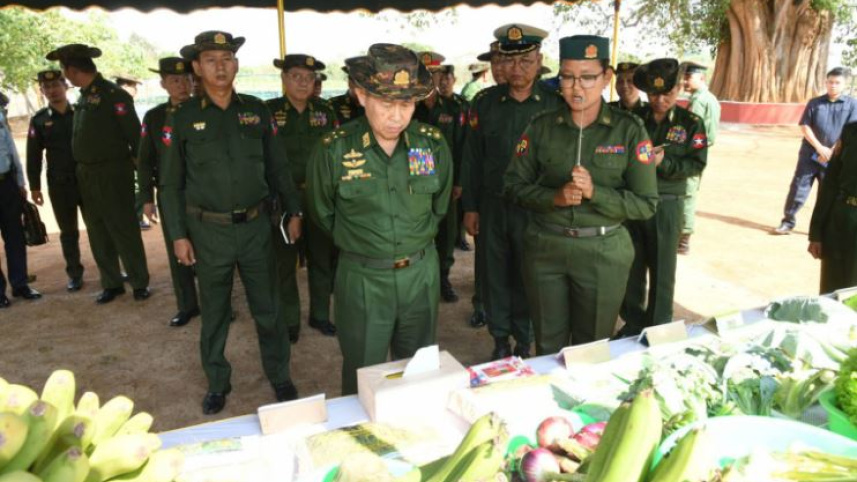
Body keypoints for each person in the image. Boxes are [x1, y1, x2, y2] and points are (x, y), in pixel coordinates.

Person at [161, 30, 302, 414]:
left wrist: (294, 212)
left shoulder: (257, 110)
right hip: (208, 233)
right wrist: (177, 236)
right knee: (215, 311)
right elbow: (170, 184)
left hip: (257, 227)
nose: (220, 67)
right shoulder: (183, 117)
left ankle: (280, 375)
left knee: (268, 308)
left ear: (236, 64)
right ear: (196, 68)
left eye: (226, 59)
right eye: (210, 60)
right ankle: (217, 381)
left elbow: (278, 167)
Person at [307, 44, 452, 395]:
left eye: (406, 105)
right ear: (360, 95)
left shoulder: (429, 145)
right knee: (364, 377)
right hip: (363, 279)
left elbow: (439, 206)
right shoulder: (334, 149)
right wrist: (368, 246)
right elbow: (322, 213)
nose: (397, 116)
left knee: (417, 373)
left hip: (420, 275)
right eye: (387, 103)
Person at [505, 35, 658, 354]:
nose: (577, 87)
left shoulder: (629, 130)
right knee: (548, 344)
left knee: (592, 349)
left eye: (588, 77)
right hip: (546, 248)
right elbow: (513, 185)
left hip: (602, 252)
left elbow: (646, 204)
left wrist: (595, 192)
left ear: (606, 77)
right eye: (568, 76)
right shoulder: (539, 127)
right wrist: (554, 198)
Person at [461, 24, 561, 359]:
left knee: (529, 275)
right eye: (511, 61)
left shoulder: (554, 104)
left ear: (539, 60)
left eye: (526, 62)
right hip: (492, 207)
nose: (517, 70)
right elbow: (472, 158)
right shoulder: (485, 103)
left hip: (536, 209)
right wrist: (471, 207)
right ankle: (500, 340)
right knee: (495, 275)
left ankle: (525, 339)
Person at [47, 43, 151, 304]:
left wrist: (143, 175)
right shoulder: (83, 95)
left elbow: (134, 138)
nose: (64, 75)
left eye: (64, 69)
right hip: (87, 174)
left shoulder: (114, 94)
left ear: (72, 69)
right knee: (97, 229)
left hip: (112, 171)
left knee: (123, 226)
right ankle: (112, 282)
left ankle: (139, 282)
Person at [619, 58, 708, 337]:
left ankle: (657, 329)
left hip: (666, 205)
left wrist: (664, 163)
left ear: (679, 88)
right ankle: (633, 324)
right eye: (654, 94)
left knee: (662, 270)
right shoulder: (635, 118)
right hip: (634, 202)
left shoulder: (691, 123)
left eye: (667, 94)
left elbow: (696, 164)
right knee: (631, 267)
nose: (660, 100)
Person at [266, 54, 338, 341]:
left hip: (318, 197)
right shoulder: (268, 111)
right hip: (284, 198)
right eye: (295, 76)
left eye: (308, 78)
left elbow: (335, 156)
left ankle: (320, 315)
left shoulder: (326, 111)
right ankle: (290, 320)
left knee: (322, 258)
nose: (302, 82)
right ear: (283, 79)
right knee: (285, 263)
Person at [137, 57, 199, 327]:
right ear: (163, 83)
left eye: (187, 79)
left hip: (202, 192)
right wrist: (146, 198)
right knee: (178, 249)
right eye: (175, 80)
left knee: (209, 252)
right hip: (170, 194)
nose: (182, 85)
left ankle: (217, 303)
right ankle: (187, 305)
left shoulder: (204, 110)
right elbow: (145, 160)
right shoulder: (154, 117)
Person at [773, 67, 857, 235]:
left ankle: (822, 228)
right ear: (825, 82)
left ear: (844, 85)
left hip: (835, 158)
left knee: (827, 194)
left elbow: (850, 131)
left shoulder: (852, 105)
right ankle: (788, 222)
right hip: (809, 155)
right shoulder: (815, 103)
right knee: (798, 188)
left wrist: (832, 151)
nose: (833, 85)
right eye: (830, 82)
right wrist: (820, 147)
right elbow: (805, 125)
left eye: (837, 83)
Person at [26, 70, 85, 292]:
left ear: (65, 86)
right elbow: (33, 155)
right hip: (60, 184)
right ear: (42, 91)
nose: (51, 91)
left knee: (100, 228)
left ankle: (112, 270)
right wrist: (34, 186)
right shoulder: (40, 120)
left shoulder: (81, 112)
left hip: (86, 180)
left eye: (55, 85)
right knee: (68, 232)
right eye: (46, 87)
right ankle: (75, 274)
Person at [415, 55, 466, 303]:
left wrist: (458, 182)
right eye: (424, 74)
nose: (430, 79)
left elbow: (462, 147)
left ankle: (443, 278)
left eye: (434, 74)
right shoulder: (408, 108)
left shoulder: (453, 108)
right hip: (414, 185)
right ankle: (421, 280)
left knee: (446, 232)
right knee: (418, 231)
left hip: (446, 182)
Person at [0, 96, 42, 308]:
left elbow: (11, 150)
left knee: (15, 235)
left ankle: (20, 284)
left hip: (6, 183)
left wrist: (20, 182)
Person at [809, 121, 857, 293]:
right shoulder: (851, 131)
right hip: (841, 221)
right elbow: (830, 183)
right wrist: (816, 231)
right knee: (831, 292)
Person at [679, 61, 720, 254]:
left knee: (687, 193)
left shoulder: (699, 101)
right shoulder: (710, 98)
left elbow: (690, 131)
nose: (685, 81)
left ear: (701, 78)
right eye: (685, 77)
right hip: (701, 152)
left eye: (689, 77)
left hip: (691, 153)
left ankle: (684, 239)